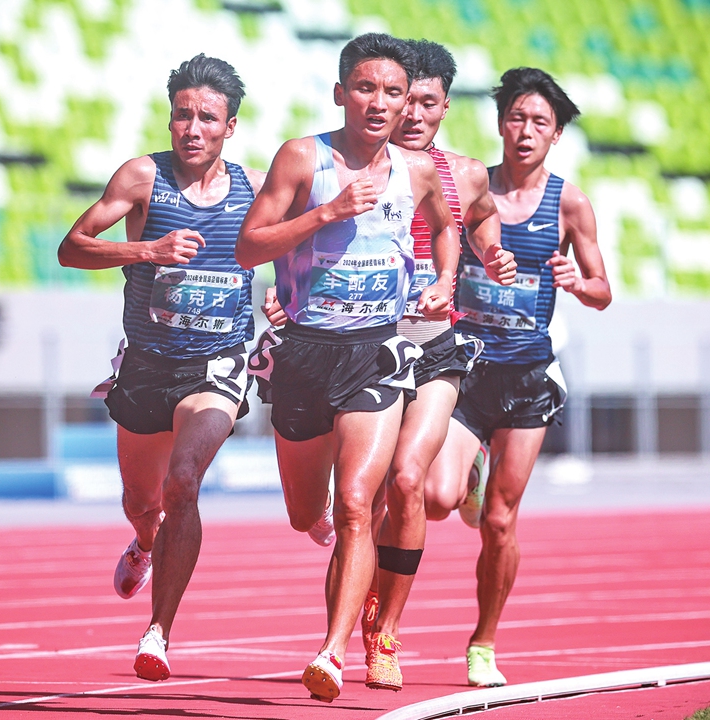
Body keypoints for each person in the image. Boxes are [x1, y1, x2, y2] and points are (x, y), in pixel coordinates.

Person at [261, 39, 516, 693]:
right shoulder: (347, 161)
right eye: (405, 101)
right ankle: (346, 635)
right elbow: (283, 238)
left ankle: (379, 636)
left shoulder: (458, 172)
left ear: (442, 106)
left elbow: (476, 221)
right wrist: (292, 286)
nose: (411, 114)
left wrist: (469, 269)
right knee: (353, 503)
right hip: (350, 339)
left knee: (405, 485)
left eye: (425, 102)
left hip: (425, 343)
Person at [236, 33, 459, 703]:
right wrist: (327, 213)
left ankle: (333, 652)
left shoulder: (418, 171)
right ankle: (320, 530)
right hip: (305, 353)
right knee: (307, 512)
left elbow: (447, 226)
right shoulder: (302, 158)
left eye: (393, 92)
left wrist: (444, 281)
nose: (379, 102)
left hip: (376, 352)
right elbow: (249, 247)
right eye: (365, 88)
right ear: (340, 93)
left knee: (359, 504)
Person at [58, 54, 264, 683]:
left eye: (208, 118)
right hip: (147, 367)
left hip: (217, 366)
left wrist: (288, 296)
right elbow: (72, 248)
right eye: (182, 115)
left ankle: (158, 632)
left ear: (230, 126)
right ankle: (145, 543)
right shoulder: (142, 178)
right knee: (142, 502)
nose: (193, 128)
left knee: (183, 482)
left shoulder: (257, 188)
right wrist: (147, 248)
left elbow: (296, 248)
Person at [423, 66, 612, 688]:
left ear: (556, 135)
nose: (526, 131)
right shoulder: (467, 186)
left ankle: (483, 642)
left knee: (500, 521)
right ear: (500, 124)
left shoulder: (569, 203)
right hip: (467, 369)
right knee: (436, 499)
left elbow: (603, 290)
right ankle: (469, 470)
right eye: (516, 118)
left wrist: (577, 282)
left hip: (528, 377)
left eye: (540, 123)